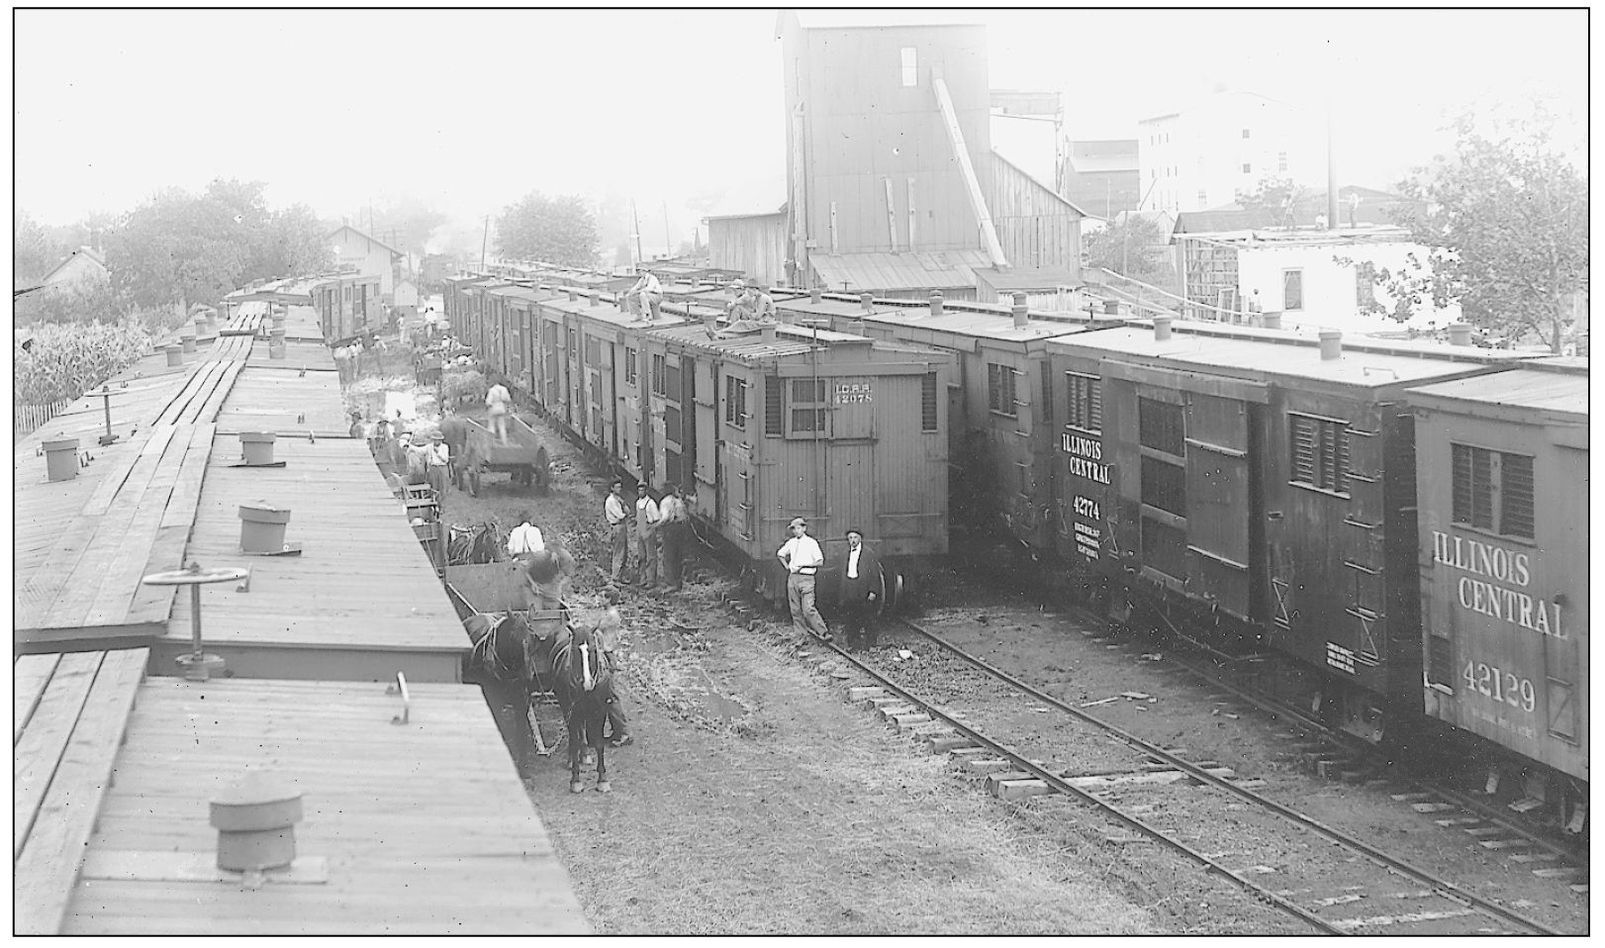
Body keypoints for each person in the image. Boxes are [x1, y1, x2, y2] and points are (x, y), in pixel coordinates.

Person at [776, 516, 831, 641]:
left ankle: (823, 632)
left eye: (798, 528)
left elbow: (820, 561)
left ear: (804, 528)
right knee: (795, 609)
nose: (796, 531)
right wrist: (787, 567)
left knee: (808, 608)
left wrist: (805, 565)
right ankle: (801, 635)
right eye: (794, 529)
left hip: (807, 578)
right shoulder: (791, 542)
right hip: (793, 578)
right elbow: (780, 554)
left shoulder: (812, 543)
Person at [837, 528, 885, 650]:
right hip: (850, 587)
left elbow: (874, 573)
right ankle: (854, 644)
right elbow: (843, 572)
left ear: (860, 538)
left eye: (855, 538)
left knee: (868, 617)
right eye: (850, 538)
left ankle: (871, 644)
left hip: (863, 588)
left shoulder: (868, 553)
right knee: (851, 618)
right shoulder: (845, 553)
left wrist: (873, 590)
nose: (852, 541)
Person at [593, 607, 632, 747]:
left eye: (603, 596)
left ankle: (624, 734)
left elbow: (596, 627)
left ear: (609, 599)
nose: (600, 599)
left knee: (611, 696)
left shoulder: (611, 615)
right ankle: (617, 732)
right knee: (607, 696)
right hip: (606, 653)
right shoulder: (608, 613)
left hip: (608, 655)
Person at [657, 483, 690, 591]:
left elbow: (666, 517)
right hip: (681, 528)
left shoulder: (665, 502)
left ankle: (670, 584)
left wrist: (656, 525)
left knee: (668, 557)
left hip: (670, 529)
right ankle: (678, 582)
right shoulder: (679, 501)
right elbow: (685, 515)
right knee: (678, 556)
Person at [633, 483, 660, 588]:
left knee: (651, 557)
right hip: (640, 532)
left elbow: (656, 519)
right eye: (639, 490)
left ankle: (651, 580)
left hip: (648, 531)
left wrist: (651, 530)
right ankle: (642, 578)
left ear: (646, 491)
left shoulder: (651, 503)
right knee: (641, 556)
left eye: (642, 490)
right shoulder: (638, 502)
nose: (641, 492)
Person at [604, 479, 630, 583]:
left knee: (623, 552)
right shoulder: (612, 501)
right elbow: (621, 515)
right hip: (617, 526)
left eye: (620, 487)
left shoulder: (617, 499)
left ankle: (620, 576)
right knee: (619, 552)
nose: (619, 489)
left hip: (621, 526)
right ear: (612, 488)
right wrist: (625, 510)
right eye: (617, 487)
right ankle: (616, 577)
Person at [485, 378, 513, 443]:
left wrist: (488, 406)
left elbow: (488, 402)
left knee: (491, 425)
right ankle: (504, 441)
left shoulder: (491, 390)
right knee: (502, 426)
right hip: (501, 409)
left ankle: (491, 442)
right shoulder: (504, 389)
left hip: (493, 410)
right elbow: (508, 399)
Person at [424, 431, 450, 497]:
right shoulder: (429, 447)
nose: (436, 441)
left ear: (441, 440)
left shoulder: (445, 447)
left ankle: (442, 501)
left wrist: (438, 453)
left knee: (443, 486)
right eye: (435, 440)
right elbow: (425, 455)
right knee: (433, 486)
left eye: (438, 440)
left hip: (442, 467)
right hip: (433, 468)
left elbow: (446, 460)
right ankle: (434, 501)